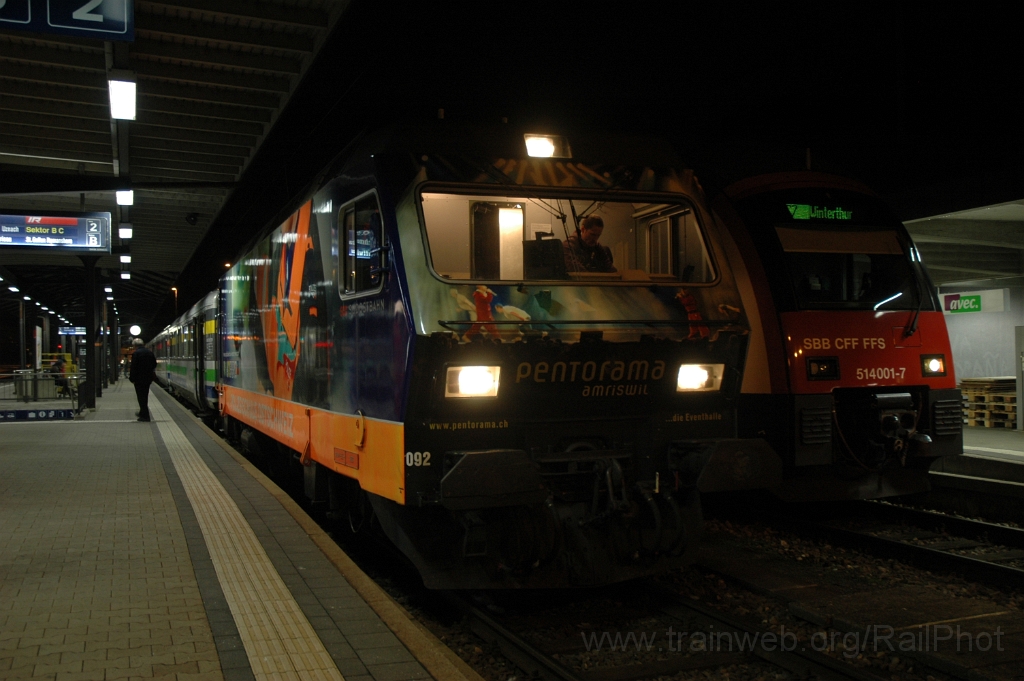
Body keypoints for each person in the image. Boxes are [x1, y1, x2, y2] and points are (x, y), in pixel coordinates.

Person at [129, 338, 157, 422]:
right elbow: (154, 364)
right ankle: (142, 413)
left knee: (141, 397)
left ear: (135, 345)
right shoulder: (149, 353)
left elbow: (133, 367)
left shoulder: (136, 353)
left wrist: (132, 378)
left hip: (139, 379)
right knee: (145, 396)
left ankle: (145, 416)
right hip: (147, 378)